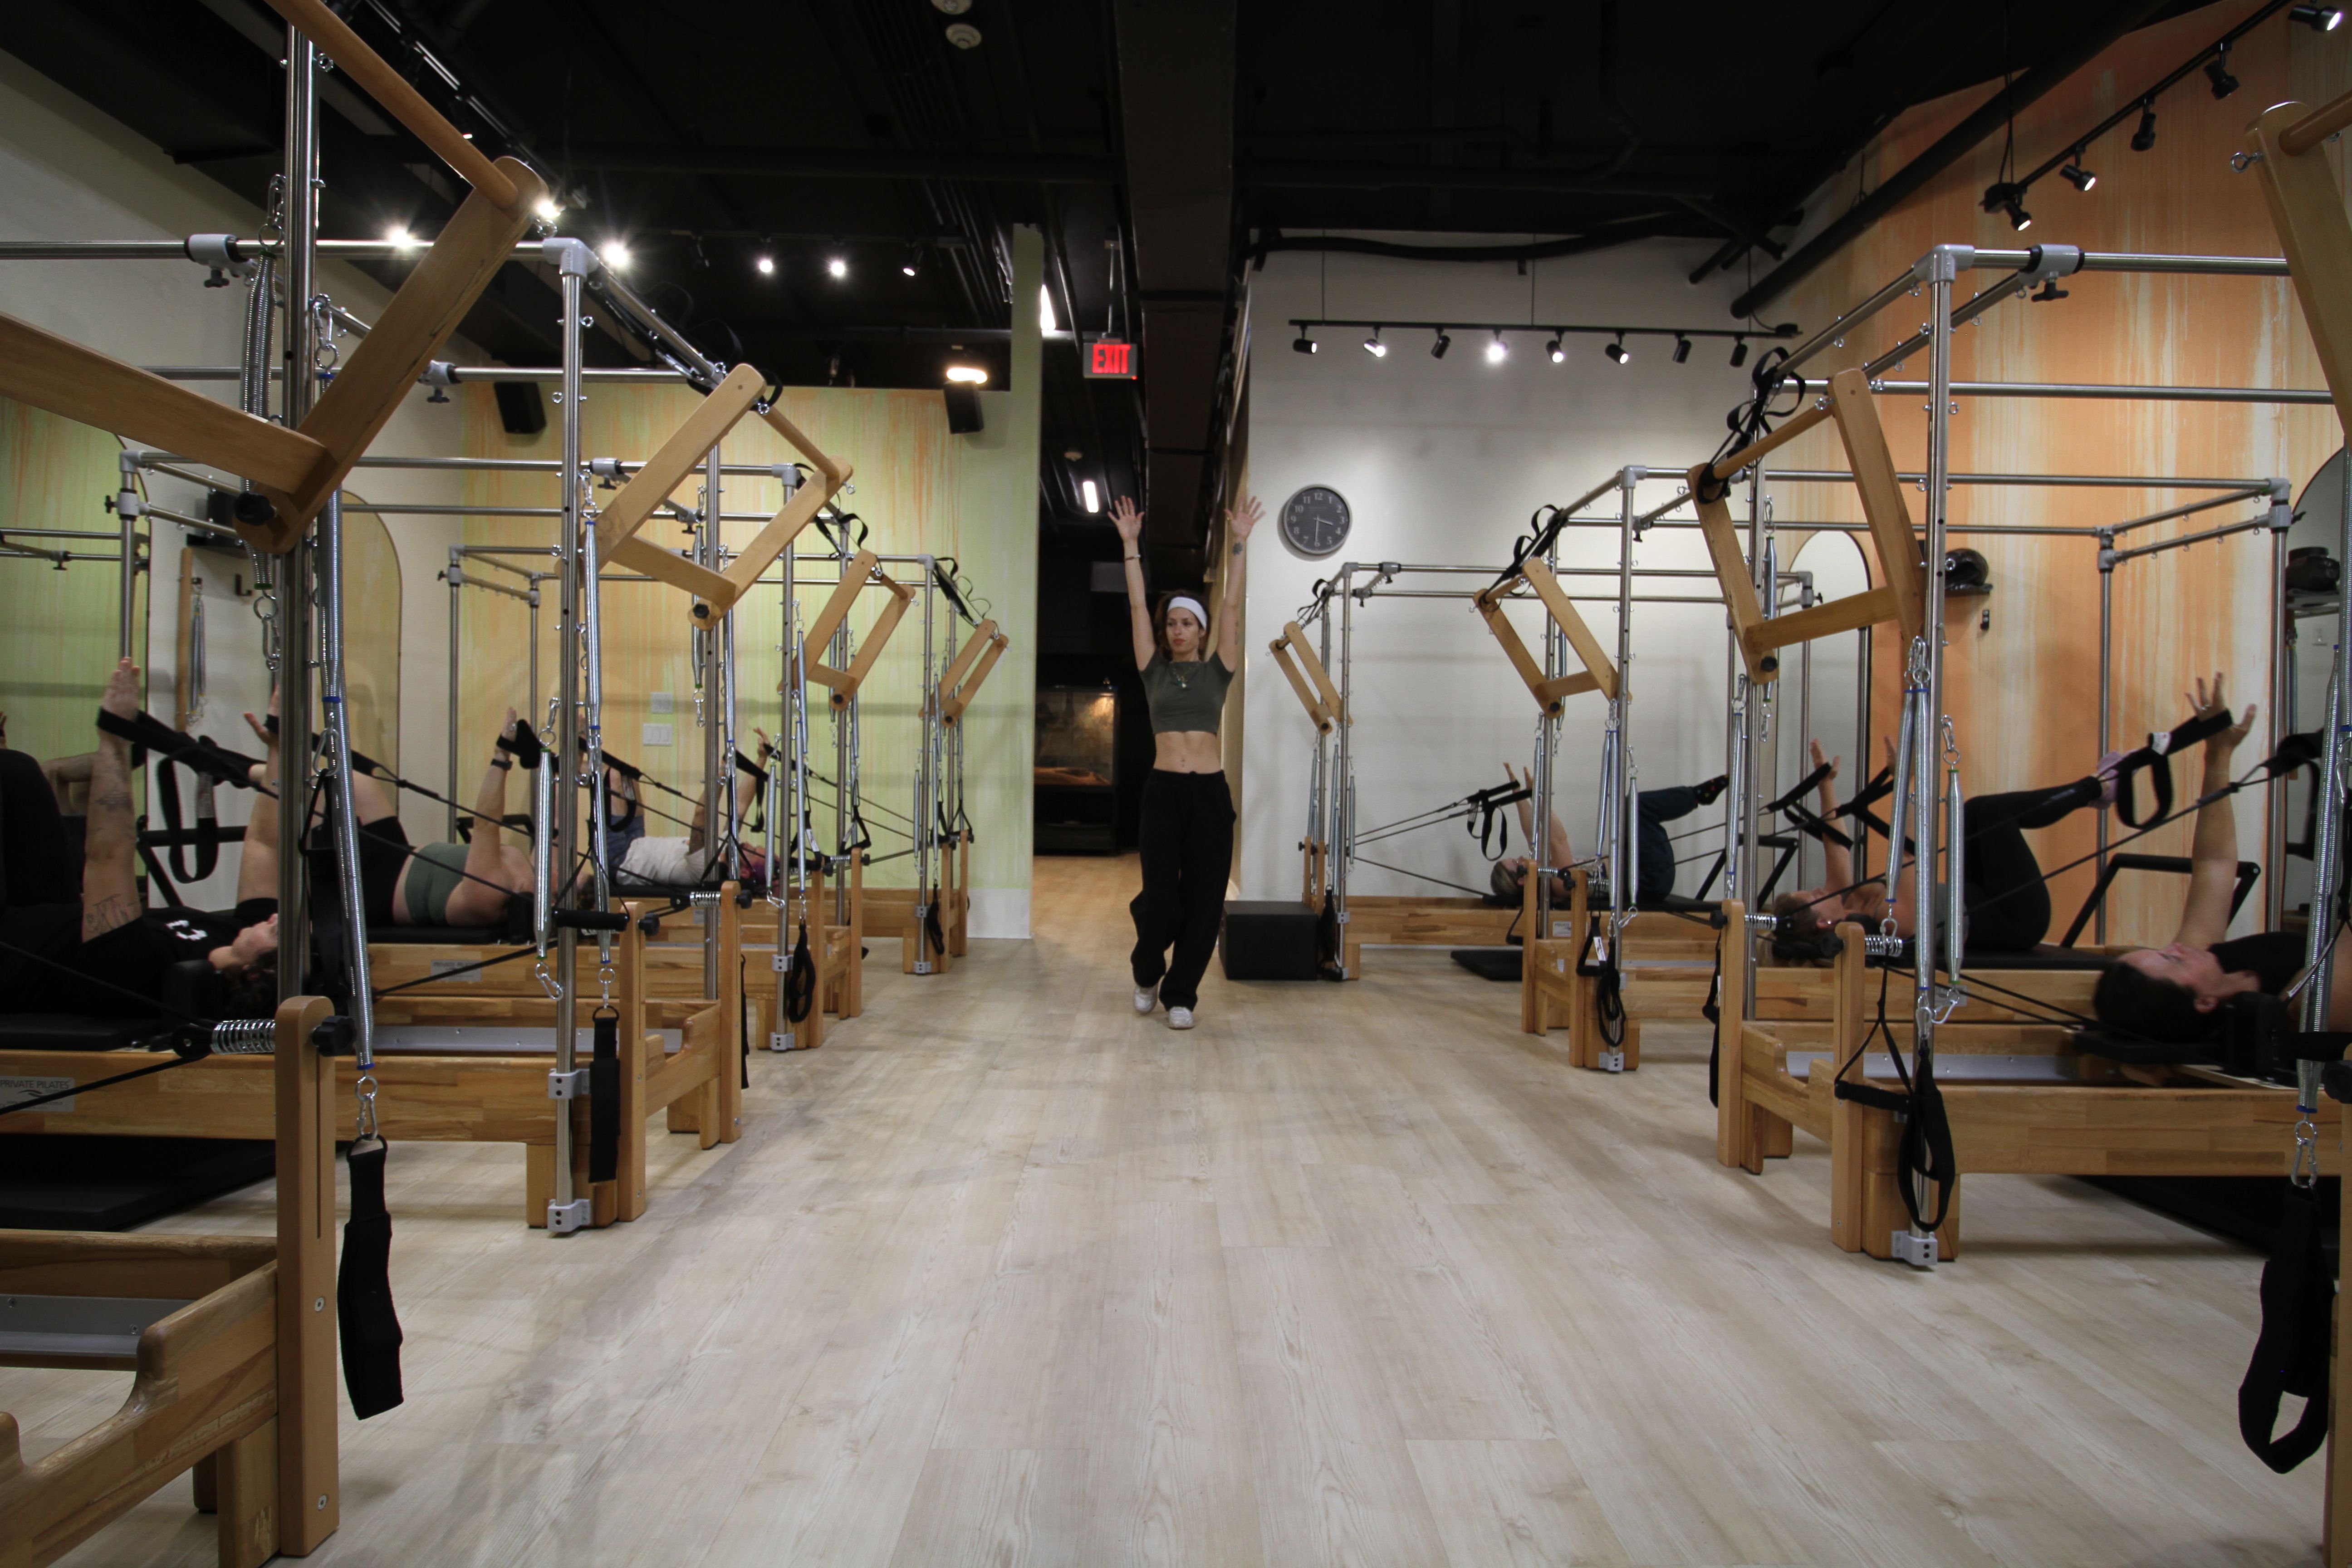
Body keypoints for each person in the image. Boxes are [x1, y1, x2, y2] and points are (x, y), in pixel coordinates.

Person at [0, 658, 279, 1018]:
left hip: (11, 951)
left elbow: (109, 853)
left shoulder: (141, 971)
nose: (275, 921)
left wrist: (114, 739)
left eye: (275, 934)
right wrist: (279, 747)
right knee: (15, 771)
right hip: (48, 910)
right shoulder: (237, 932)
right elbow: (265, 844)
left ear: (252, 972)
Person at [2093, 675, 2352, 1039]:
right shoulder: (2306, 1006)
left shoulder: (2212, 964)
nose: (2178, 946)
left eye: (2165, 950)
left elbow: (2215, 863)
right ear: (2203, 1002)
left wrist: (2218, 755)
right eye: (2173, 959)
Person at [1772, 730, 2126, 958]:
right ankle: (2099, 787)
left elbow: (1837, 845)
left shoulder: (1843, 899)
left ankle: (2096, 792)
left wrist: (1825, 783)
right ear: (1823, 924)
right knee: (1998, 814)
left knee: (1976, 811)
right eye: (1815, 896)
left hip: (1975, 892)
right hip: (2014, 918)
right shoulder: (1892, 921)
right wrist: (1907, 782)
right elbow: (1909, 853)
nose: (1819, 888)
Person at [1112, 490, 1259, 1029]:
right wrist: (1130, 546)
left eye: (1186, 623)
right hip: (1164, 794)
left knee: (1202, 902)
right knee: (1161, 904)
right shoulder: (1151, 669)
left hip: (1209, 796)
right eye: (1171, 622)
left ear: (1201, 632)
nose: (1177, 630)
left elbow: (1234, 607)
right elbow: (1134, 607)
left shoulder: (1218, 669)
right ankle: (1147, 970)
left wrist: (1240, 542)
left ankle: (1182, 996)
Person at [245, 696, 534, 929]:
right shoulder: (533, 880)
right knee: (361, 783)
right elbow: (557, 835)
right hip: (397, 853)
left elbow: (485, 825)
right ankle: (254, 769)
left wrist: (502, 758)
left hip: (373, 888)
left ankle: (271, 761)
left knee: (320, 792)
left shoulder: (489, 896)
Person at [1489, 762, 1726, 906]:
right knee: (1634, 806)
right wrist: (1539, 799)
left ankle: (1696, 796)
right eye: (1516, 862)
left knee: (1626, 810)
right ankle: (1697, 796)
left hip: (1635, 865)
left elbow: (1533, 834)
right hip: (1649, 877)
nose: (1521, 858)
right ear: (1521, 878)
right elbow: (1558, 839)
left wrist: (1519, 795)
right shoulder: (1559, 884)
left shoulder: (1547, 872)